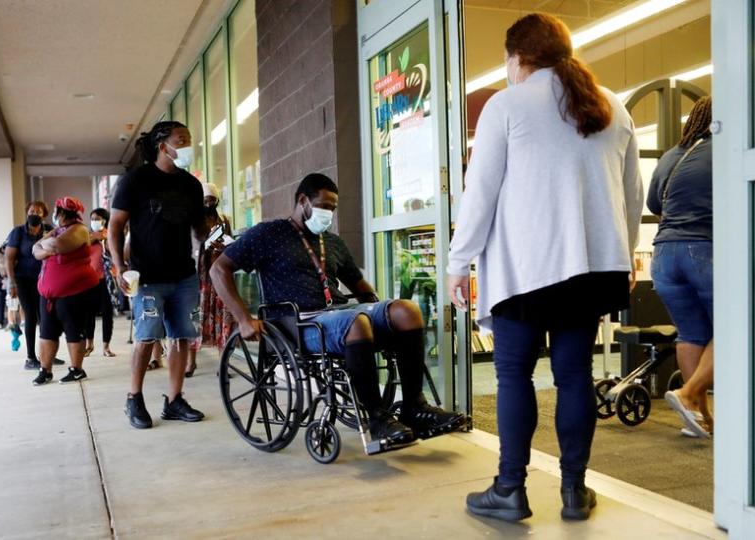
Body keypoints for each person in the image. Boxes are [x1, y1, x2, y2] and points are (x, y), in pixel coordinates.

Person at [446, 13, 642, 522]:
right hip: (594, 267)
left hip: (527, 266)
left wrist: (457, 262)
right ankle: (575, 491)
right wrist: (625, 256)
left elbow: (480, 193)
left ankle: (511, 489)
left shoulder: (506, 105)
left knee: (513, 375)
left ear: (518, 57)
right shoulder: (612, 107)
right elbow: (630, 195)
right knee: (573, 375)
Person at [211, 173, 467, 446]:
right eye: (324, 206)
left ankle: (415, 406)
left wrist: (383, 312)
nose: (329, 213)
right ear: (303, 201)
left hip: (339, 314)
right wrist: (243, 318)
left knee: (407, 311)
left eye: (333, 208)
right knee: (356, 322)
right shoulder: (267, 234)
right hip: (296, 323)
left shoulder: (332, 242)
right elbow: (219, 269)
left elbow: (359, 286)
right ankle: (377, 418)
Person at [109, 120, 209, 429]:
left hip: (183, 276)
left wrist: (211, 222)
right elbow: (114, 227)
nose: (188, 144)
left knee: (181, 337)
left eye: (189, 138)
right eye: (182, 139)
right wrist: (119, 266)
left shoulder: (191, 184)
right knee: (146, 336)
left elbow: (199, 231)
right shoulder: (135, 181)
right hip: (148, 276)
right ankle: (134, 398)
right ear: (161, 145)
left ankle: (175, 400)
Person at [647, 97, 714, 438]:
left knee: (691, 334)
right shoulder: (724, 149)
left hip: (663, 255)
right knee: (736, 326)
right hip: (702, 248)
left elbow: (654, 203)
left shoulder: (671, 155)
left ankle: (696, 417)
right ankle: (688, 394)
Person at [31, 197, 99, 385]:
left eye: (56, 211)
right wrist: (47, 248)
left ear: (61, 213)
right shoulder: (58, 230)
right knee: (46, 332)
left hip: (74, 292)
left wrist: (47, 246)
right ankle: (45, 370)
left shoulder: (79, 229)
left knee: (73, 331)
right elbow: (34, 250)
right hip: (48, 294)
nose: (54, 214)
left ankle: (77, 369)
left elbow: (55, 245)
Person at [6, 201, 63, 370]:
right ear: (26, 213)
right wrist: (11, 282)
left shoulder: (48, 230)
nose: (34, 214)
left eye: (38, 212)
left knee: (47, 316)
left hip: (45, 280)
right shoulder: (18, 232)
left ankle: (48, 354)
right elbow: (9, 258)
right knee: (31, 316)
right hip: (23, 280)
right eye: (31, 211)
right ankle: (31, 358)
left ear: (43, 215)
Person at [186, 181, 234, 377]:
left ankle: (223, 364)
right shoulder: (193, 220)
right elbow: (192, 243)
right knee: (194, 318)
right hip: (199, 276)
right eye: (205, 200)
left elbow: (230, 244)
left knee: (224, 318)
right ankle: (191, 363)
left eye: (212, 200)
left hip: (219, 274)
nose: (209, 203)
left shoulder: (224, 220)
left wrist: (223, 244)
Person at [84, 208, 117, 358]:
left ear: (105, 220)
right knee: (88, 313)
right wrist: (94, 238)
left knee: (107, 313)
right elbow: (82, 247)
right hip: (89, 280)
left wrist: (105, 239)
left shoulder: (111, 235)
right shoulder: (85, 236)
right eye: (92, 219)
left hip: (106, 280)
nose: (95, 221)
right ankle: (88, 344)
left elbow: (115, 252)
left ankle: (106, 346)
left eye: (98, 218)